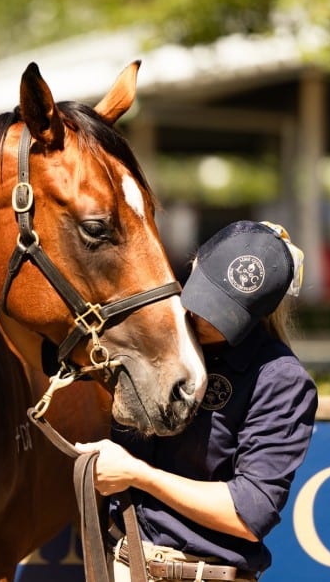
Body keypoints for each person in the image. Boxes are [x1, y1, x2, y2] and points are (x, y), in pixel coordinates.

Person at [75, 220, 317, 582]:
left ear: (258, 315)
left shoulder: (279, 379)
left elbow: (250, 514)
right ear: (195, 265)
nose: (202, 317)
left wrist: (138, 475)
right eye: (203, 295)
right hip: (118, 562)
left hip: (201, 573)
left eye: (225, 312)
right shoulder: (151, 335)